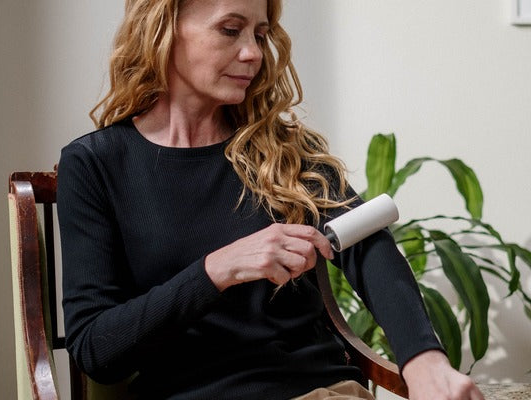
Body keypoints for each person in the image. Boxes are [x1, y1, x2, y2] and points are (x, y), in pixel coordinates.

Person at [56, 0, 485, 399]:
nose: (253, 53)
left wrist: (425, 360)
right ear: (162, 28)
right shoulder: (95, 165)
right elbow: (97, 350)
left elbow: (368, 246)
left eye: (259, 35)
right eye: (230, 30)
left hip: (317, 391)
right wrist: (217, 269)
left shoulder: (282, 152)